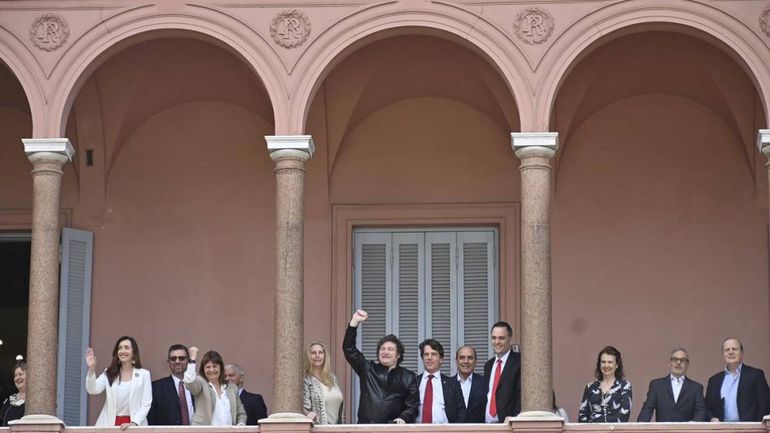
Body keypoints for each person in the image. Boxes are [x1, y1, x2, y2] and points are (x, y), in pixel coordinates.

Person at [342, 309, 419, 423]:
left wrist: (404, 418)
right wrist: (353, 324)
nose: (385, 352)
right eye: (382, 349)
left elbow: (412, 406)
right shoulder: (367, 369)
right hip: (366, 428)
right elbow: (349, 350)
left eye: (390, 349)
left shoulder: (408, 377)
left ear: (398, 354)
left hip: (392, 429)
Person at [85, 336, 153, 428]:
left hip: (134, 424)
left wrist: (134, 423)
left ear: (134, 353)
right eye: (119, 348)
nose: (122, 351)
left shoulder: (144, 375)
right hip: (110, 424)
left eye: (127, 348)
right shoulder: (109, 373)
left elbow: (146, 403)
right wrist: (92, 369)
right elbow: (93, 390)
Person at [705, 338, 770, 422]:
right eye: (727, 350)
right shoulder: (714, 380)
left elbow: (764, 404)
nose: (731, 352)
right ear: (723, 354)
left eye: (734, 349)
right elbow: (707, 407)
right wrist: (711, 418)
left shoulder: (756, 375)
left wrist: (757, 426)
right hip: (721, 429)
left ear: (742, 353)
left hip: (750, 429)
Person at [637, 348, 706, 422]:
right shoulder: (657, 385)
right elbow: (647, 409)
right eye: (675, 359)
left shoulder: (696, 388)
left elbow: (700, 412)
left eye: (682, 360)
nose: (678, 362)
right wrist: (640, 427)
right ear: (670, 363)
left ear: (688, 365)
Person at [184, 347, 246, 425]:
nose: (212, 370)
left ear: (221, 368)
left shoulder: (232, 388)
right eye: (208, 367)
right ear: (203, 369)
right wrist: (192, 360)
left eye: (215, 366)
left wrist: (241, 424)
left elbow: (241, 413)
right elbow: (189, 383)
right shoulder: (201, 383)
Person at [416, 339, 466, 423]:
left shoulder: (452, 384)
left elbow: (461, 411)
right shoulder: (414, 382)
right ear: (422, 358)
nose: (429, 358)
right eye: (426, 354)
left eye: (434, 354)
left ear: (441, 359)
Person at [578, 345, 632, 423]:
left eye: (610, 362)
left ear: (616, 365)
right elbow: (582, 415)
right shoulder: (590, 387)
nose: (606, 365)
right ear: (599, 364)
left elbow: (624, 414)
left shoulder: (624, 386)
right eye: (603, 362)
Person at [147, 344, 195, 425]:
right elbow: (151, 420)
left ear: (188, 361)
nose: (177, 361)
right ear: (168, 362)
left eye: (181, 358)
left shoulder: (198, 386)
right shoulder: (156, 388)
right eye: (173, 359)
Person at [484, 321, 521, 423]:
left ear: (510, 339)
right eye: (494, 338)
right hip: (487, 424)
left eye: (501, 338)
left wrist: (515, 419)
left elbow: (521, 395)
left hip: (508, 424)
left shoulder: (519, 362)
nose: (497, 342)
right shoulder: (488, 365)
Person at [302, 341, 344, 424]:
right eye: (313, 353)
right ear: (308, 356)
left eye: (320, 352)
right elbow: (303, 409)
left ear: (325, 356)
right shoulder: (306, 380)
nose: (317, 356)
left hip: (336, 429)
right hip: (319, 429)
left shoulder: (332, 378)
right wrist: (309, 414)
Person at [451, 345, 486, 423]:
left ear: (476, 362)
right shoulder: (447, 385)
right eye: (462, 358)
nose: (466, 361)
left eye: (470, 358)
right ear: (456, 361)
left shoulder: (485, 383)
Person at [0, 361, 26, 426]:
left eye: (20, 374)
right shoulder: (10, 399)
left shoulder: (35, 399)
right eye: (15, 375)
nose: (17, 378)